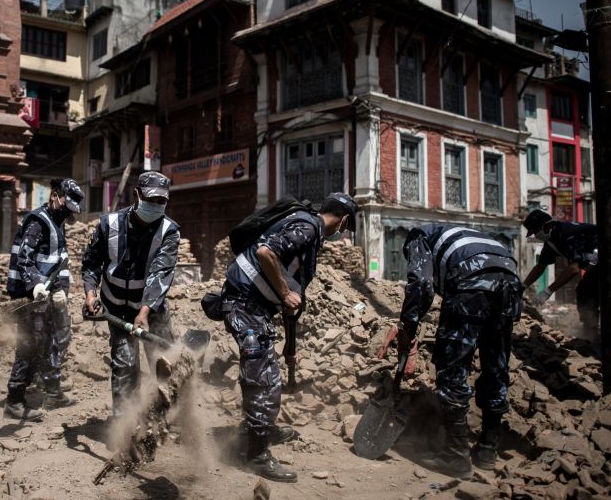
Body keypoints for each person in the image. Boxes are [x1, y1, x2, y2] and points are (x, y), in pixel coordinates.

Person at [221, 192, 356, 483]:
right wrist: (284, 293)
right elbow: (265, 253)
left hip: (253, 307)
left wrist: (290, 347)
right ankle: (255, 454)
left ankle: (259, 429)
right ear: (343, 221)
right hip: (244, 304)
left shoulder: (308, 239)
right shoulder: (307, 227)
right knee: (263, 380)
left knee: (264, 374)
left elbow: (293, 303)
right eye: (346, 225)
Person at [389, 224, 523, 477]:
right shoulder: (469, 234)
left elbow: (421, 283)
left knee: (452, 367)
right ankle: (487, 450)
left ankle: (454, 455)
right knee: (496, 364)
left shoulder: (417, 237)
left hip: (470, 281)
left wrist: (408, 325)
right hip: (510, 282)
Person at [81, 171, 179, 417]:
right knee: (125, 366)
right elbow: (91, 263)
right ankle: (126, 427)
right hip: (116, 308)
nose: (156, 206)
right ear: (136, 195)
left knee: (165, 363)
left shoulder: (169, 231)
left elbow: (161, 273)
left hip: (152, 311)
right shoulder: (109, 224)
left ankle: (167, 417)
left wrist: (145, 311)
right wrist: (90, 295)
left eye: (161, 202)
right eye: (151, 199)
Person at [3, 178, 84, 420]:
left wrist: (58, 288)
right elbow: (25, 260)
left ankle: (53, 392)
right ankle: (14, 402)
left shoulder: (57, 222)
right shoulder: (38, 221)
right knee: (28, 344)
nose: (68, 214)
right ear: (55, 196)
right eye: (66, 207)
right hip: (31, 297)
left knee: (53, 340)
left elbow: (55, 262)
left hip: (46, 294)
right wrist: (36, 284)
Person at [521, 208, 599, 340]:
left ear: (547, 225)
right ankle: (591, 334)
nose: (536, 236)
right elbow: (540, 266)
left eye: (536, 231)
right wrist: (522, 286)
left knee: (587, 291)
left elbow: (574, 268)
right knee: (585, 292)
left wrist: (548, 290)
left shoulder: (568, 234)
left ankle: (593, 336)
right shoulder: (551, 242)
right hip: (595, 266)